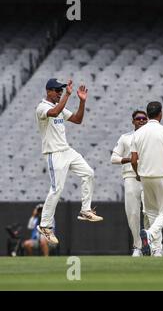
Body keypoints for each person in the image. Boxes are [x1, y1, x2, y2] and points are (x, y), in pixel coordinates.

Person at [35, 78, 103, 245]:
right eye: (57, 90)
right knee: (57, 188)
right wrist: (67, 95)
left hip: (66, 150)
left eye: (61, 90)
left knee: (88, 173)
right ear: (48, 91)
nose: (59, 93)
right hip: (54, 153)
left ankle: (85, 210)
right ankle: (44, 225)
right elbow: (54, 113)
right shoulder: (42, 107)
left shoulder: (59, 106)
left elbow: (78, 119)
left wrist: (82, 102)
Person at [131, 101, 163, 257]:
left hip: (145, 176)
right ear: (160, 114)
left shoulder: (137, 133)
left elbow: (133, 160)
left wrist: (138, 174)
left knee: (152, 213)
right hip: (162, 175)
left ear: (148, 114)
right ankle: (150, 234)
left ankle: (157, 250)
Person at [111, 110, 148, 257]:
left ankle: (154, 245)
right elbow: (114, 158)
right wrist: (130, 160)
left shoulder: (151, 137)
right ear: (133, 121)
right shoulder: (125, 138)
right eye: (138, 118)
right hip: (131, 177)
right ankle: (137, 246)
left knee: (149, 213)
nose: (141, 120)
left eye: (144, 118)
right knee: (132, 213)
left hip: (148, 177)